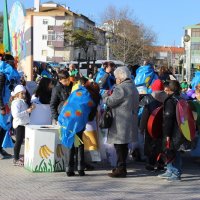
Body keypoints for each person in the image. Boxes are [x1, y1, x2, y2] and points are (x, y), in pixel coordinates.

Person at [58, 81, 100, 177]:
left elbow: (67, 103)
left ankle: (69, 169)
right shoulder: (94, 98)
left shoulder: (77, 91)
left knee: (69, 142)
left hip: (67, 119)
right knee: (79, 143)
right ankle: (81, 168)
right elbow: (91, 117)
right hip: (79, 122)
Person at [103, 66, 139, 178]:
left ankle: (121, 168)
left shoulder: (121, 88)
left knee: (119, 146)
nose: (116, 79)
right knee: (123, 146)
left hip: (120, 121)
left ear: (120, 77)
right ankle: (121, 167)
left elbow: (110, 101)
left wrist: (105, 95)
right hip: (129, 120)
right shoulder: (133, 86)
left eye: (116, 77)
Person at [158, 80, 183, 181]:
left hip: (172, 130)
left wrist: (167, 133)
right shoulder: (180, 99)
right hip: (180, 129)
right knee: (171, 150)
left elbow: (169, 117)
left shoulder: (170, 100)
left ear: (170, 89)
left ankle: (175, 173)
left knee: (173, 151)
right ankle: (169, 170)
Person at [139, 79, 167, 171]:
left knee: (150, 144)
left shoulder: (148, 98)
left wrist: (141, 128)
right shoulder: (167, 98)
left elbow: (144, 115)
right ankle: (161, 163)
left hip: (150, 126)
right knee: (162, 145)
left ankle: (150, 164)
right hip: (163, 126)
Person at [0, 54, 20, 159]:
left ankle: (1, 149)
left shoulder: (10, 74)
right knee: (2, 127)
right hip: (2, 105)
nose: (14, 63)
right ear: (7, 62)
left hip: (7, 104)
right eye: (12, 61)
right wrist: (2, 107)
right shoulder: (2, 74)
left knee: (4, 127)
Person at [11, 85, 35, 166]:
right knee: (18, 141)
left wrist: (30, 109)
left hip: (24, 124)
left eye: (24, 93)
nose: (23, 95)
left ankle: (22, 157)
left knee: (24, 141)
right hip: (20, 124)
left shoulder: (22, 101)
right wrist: (27, 111)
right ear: (17, 94)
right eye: (21, 93)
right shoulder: (16, 103)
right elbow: (16, 115)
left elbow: (26, 112)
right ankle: (16, 158)